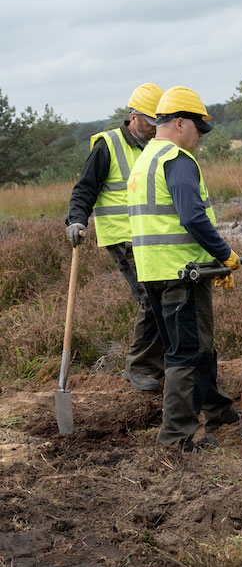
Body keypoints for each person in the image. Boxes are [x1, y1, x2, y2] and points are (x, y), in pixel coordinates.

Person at [127, 86, 242, 451]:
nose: (200, 140)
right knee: (186, 354)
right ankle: (176, 439)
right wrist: (224, 253)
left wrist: (213, 263)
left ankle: (218, 409)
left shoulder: (145, 158)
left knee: (195, 346)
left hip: (156, 273)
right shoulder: (176, 160)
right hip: (182, 274)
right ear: (180, 123)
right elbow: (191, 216)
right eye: (198, 129)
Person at [65, 83, 166, 391]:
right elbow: (84, 189)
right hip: (123, 238)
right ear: (133, 115)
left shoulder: (157, 145)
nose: (154, 127)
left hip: (154, 236)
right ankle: (139, 368)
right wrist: (76, 220)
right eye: (150, 120)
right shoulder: (107, 146)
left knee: (165, 297)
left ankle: (160, 365)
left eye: (158, 120)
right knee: (150, 299)